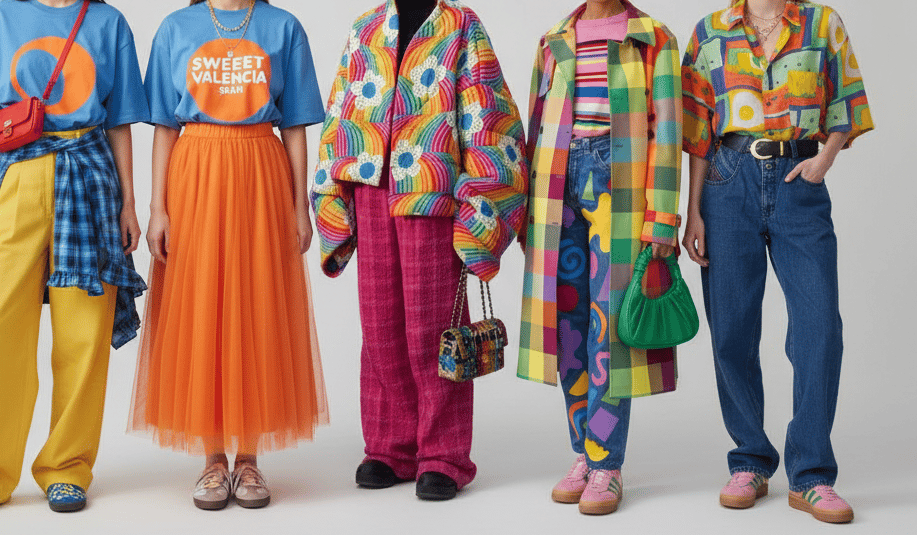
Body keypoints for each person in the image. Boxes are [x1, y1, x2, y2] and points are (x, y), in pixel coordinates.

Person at [312, 0, 528, 501]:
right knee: (380, 324)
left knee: (433, 329)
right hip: (370, 187)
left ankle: (442, 455)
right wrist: (331, 190)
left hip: (433, 190)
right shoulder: (364, 28)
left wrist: (480, 203)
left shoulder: (461, 25)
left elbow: (489, 115)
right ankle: (390, 447)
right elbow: (341, 107)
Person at [0, 0, 149, 518]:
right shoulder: (0, 18)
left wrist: (129, 201)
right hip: (15, 177)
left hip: (90, 175)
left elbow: (122, 120)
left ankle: (67, 468)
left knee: (83, 336)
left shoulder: (108, 22)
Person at [127, 0, 328, 510]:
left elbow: (297, 126)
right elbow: (164, 128)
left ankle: (250, 458)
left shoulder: (283, 26)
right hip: (195, 174)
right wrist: (158, 208)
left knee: (258, 304)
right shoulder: (177, 27)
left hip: (262, 172)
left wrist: (299, 205)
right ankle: (213, 459)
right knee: (202, 307)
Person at [681, 0, 872, 523]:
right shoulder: (709, 31)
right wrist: (693, 211)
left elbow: (848, 103)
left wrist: (824, 159)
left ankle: (811, 473)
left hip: (798, 180)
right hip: (726, 181)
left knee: (819, 327)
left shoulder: (822, 23)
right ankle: (750, 460)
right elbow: (697, 132)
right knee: (731, 329)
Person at [520, 0, 683, 516]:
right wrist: (528, 213)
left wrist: (662, 219)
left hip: (621, 185)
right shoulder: (552, 41)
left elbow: (668, 135)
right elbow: (534, 128)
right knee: (568, 325)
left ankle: (606, 463)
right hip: (556, 185)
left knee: (608, 326)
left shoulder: (654, 38)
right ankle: (581, 454)